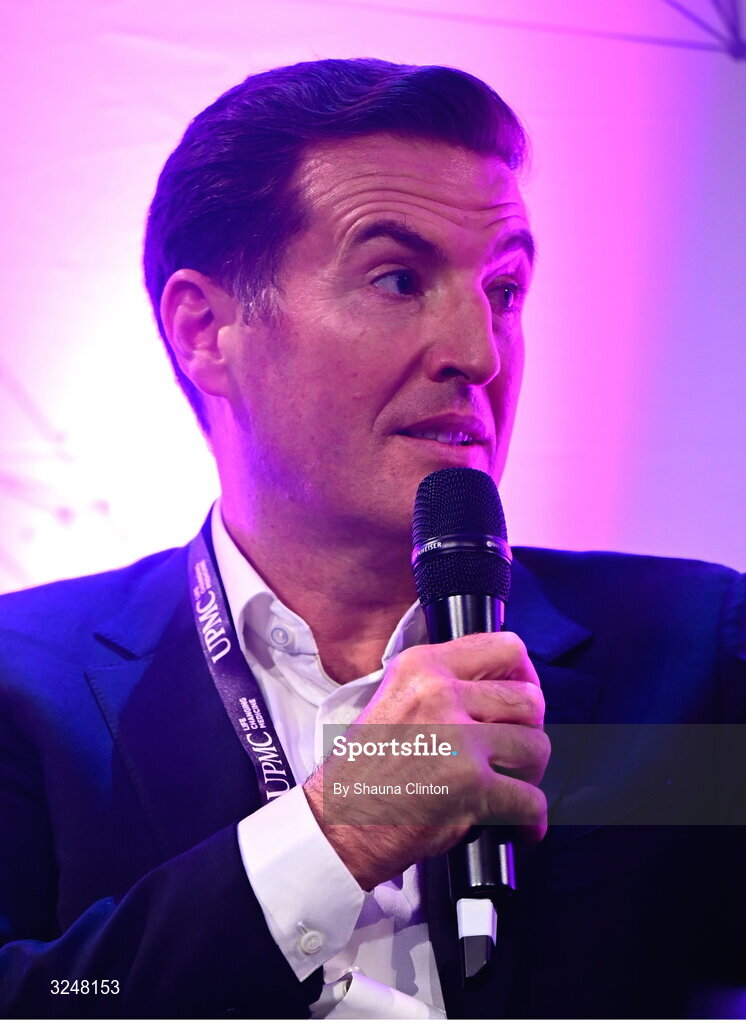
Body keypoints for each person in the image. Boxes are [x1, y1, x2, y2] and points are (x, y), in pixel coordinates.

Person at [0, 58, 743, 1020]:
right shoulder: (27, 686)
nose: (478, 353)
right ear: (205, 330)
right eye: (398, 279)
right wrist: (337, 831)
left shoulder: (691, 658)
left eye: (505, 289)